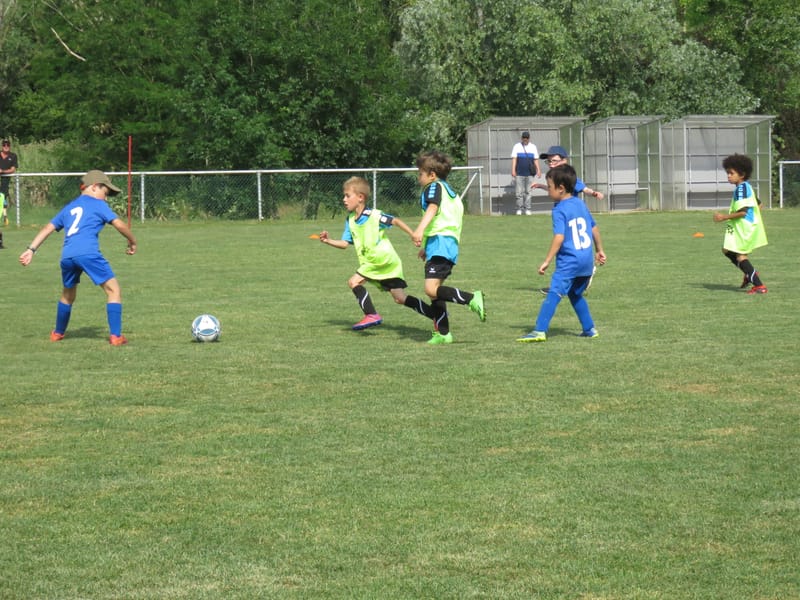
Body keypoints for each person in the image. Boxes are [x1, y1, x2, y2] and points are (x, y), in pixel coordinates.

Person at [19, 170, 137, 345]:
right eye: (106, 193)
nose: (106, 198)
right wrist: (132, 241)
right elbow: (119, 223)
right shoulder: (98, 205)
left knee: (67, 295)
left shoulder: (69, 207)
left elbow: (47, 228)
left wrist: (31, 249)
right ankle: (116, 336)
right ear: (95, 187)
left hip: (67, 256)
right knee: (114, 291)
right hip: (88, 253)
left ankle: (57, 333)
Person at [318, 176, 435, 331]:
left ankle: (371, 314)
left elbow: (396, 221)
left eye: (347, 195)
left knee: (354, 282)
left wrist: (413, 234)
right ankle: (436, 315)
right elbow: (345, 244)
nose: (344, 199)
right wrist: (328, 241)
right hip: (385, 263)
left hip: (380, 260)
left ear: (360, 197)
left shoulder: (373, 215)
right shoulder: (351, 220)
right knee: (400, 298)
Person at [517, 164, 606, 343]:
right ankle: (589, 329)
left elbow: (559, 237)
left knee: (554, 293)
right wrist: (600, 250)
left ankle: (539, 331)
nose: (548, 190)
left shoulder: (559, 209)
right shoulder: (580, 203)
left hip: (570, 261)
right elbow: (593, 227)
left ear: (561, 188)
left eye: (549, 187)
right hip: (586, 261)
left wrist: (547, 261)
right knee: (574, 294)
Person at [412, 150, 485, 345]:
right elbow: (442, 218)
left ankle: (471, 298)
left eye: (420, 173)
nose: (419, 177)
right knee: (436, 290)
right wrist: (425, 246)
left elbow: (433, 209)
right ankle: (443, 333)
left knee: (430, 289)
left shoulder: (433, 187)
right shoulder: (449, 191)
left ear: (432, 174)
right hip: (445, 243)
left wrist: (419, 230)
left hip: (441, 243)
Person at [533, 145, 604, 295]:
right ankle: (574, 281)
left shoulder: (568, 177)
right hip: (568, 212)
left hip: (571, 213)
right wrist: (540, 186)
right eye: (549, 162)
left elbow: (583, 188)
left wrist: (594, 193)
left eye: (554, 161)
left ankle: (565, 283)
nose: (551, 164)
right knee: (568, 246)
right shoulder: (556, 177)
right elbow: (555, 190)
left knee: (564, 245)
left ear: (564, 161)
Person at [713, 153, 768, 294]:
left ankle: (759, 286)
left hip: (744, 228)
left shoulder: (742, 189)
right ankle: (750, 273)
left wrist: (724, 217)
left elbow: (743, 211)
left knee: (740, 255)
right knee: (726, 249)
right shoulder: (744, 187)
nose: (728, 176)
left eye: (731, 173)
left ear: (742, 174)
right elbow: (759, 204)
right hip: (743, 226)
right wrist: (754, 218)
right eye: (727, 173)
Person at [510, 131, 541, 215]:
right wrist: (513, 170)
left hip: (530, 173)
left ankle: (527, 209)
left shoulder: (533, 147)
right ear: (522, 138)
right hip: (519, 173)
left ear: (529, 138)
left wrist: (538, 170)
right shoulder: (517, 146)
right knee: (518, 192)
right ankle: (519, 209)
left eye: (526, 138)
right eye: (524, 138)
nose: (525, 139)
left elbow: (536, 159)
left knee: (528, 192)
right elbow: (514, 159)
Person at [0, 139, 18, 246]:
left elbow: (13, 169)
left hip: (3, 189)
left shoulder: (13, 156)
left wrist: (2, 171)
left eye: (8, 145)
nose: (6, 146)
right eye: (4, 145)